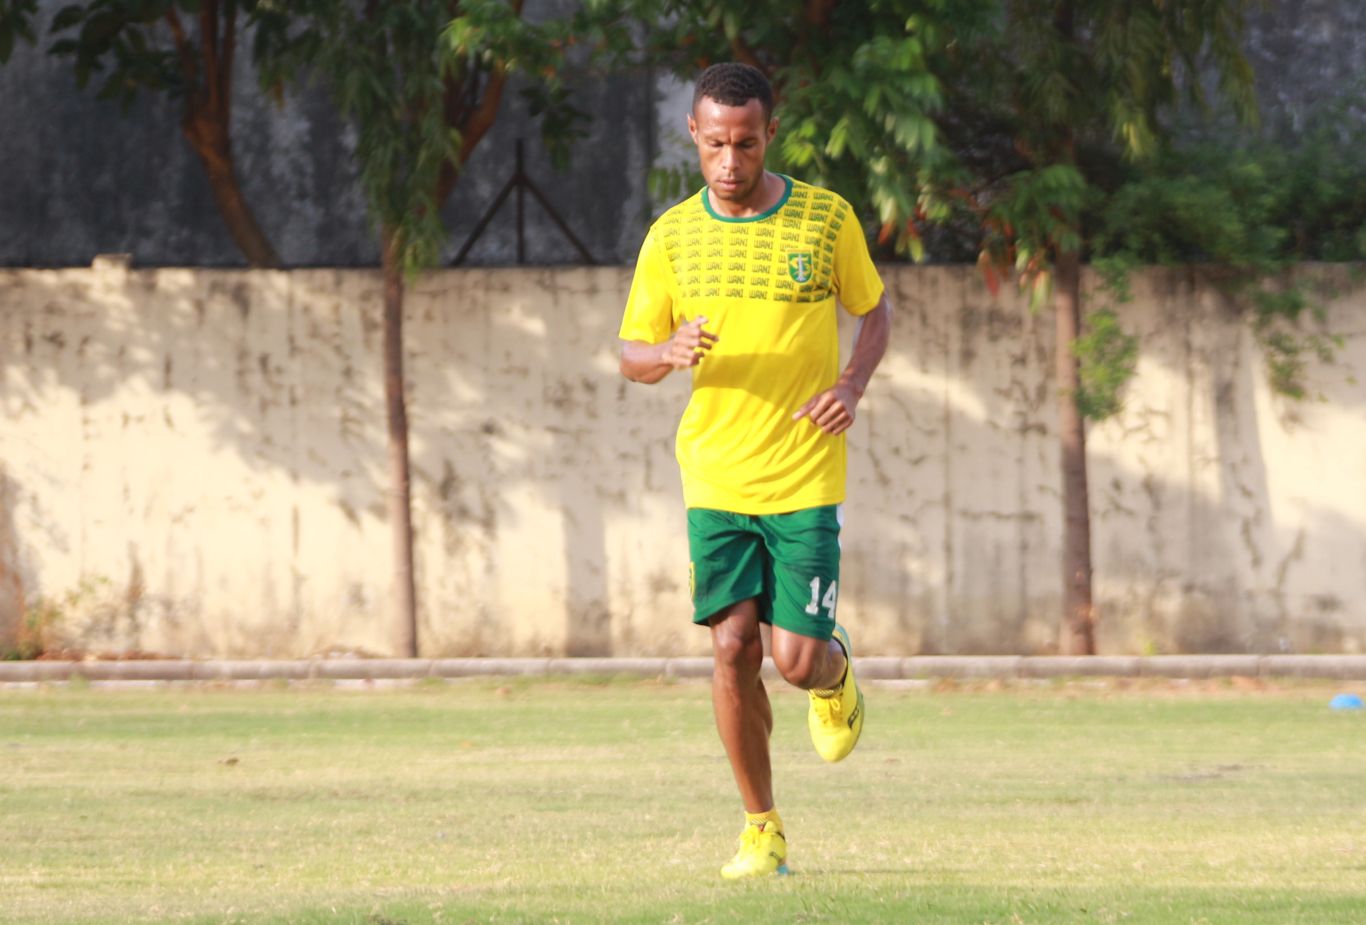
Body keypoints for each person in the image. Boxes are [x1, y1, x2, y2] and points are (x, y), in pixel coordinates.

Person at [617, 62, 892, 880]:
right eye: (714, 145)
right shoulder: (671, 236)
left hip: (805, 472)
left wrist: (850, 384)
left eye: (744, 143)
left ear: (769, 134)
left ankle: (835, 674)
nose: (729, 162)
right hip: (716, 476)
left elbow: (872, 312)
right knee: (733, 645)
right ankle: (761, 827)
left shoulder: (824, 219)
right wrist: (664, 354)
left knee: (794, 660)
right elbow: (630, 350)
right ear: (693, 140)